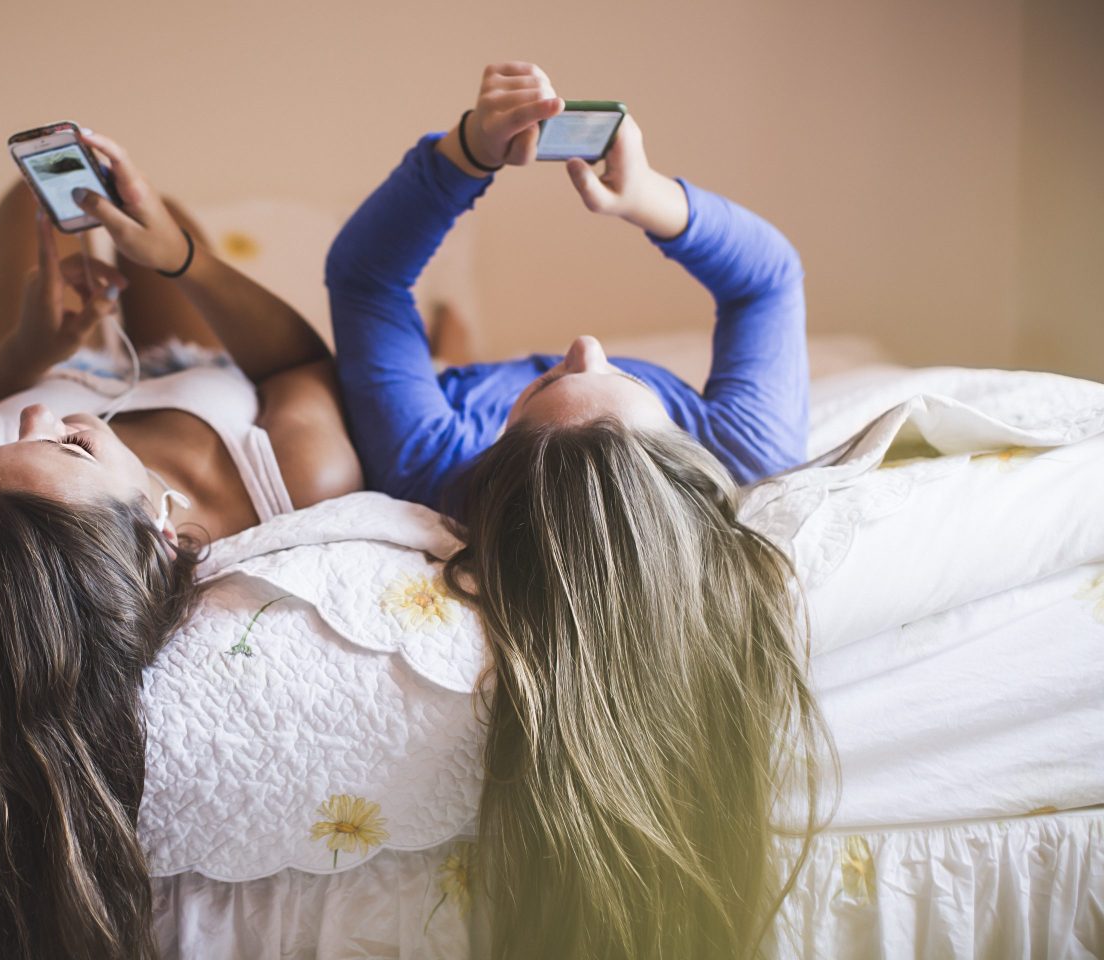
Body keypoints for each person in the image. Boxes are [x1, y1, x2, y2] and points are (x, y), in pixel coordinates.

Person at [326, 63, 831, 959]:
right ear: (684, 461)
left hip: (452, 386)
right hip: (468, 375)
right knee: (440, 334)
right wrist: (652, 201)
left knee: (427, 344)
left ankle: (454, 340)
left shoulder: (438, 460)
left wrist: (465, 155)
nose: (585, 342)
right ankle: (453, 332)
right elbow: (768, 280)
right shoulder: (740, 447)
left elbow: (365, 280)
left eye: (555, 381)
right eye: (617, 376)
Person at [0, 131, 362, 960]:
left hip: (43, 354)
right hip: (197, 369)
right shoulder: (295, 477)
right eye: (69, 447)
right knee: (149, 217)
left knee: (28, 201)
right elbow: (300, 361)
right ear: (155, 527)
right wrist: (182, 259)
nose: (36, 420)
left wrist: (24, 356)